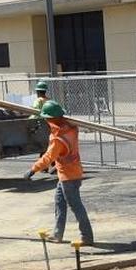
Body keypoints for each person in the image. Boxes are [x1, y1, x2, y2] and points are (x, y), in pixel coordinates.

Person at [24, 100, 94, 245]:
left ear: (52, 119)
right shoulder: (70, 129)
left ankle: (87, 237)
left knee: (76, 206)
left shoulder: (59, 140)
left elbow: (48, 158)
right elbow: (69, 125)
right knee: (59, 202)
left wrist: (32, 170)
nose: (46, 121)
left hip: (69, 176)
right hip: (70, 174)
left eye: (47, 119)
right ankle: (57, 234)